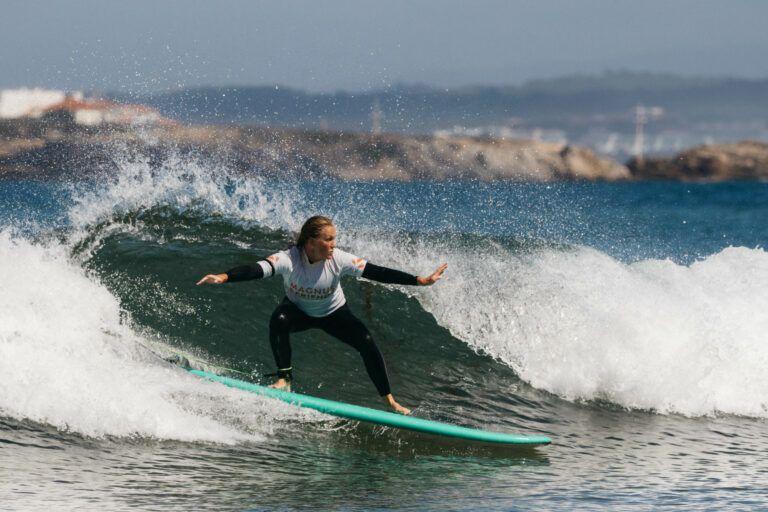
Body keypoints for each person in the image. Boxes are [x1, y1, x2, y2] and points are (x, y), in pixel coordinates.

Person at [196, 215, 447, 415]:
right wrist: (225, 277)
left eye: (334, 239)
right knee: (279, 320)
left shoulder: (338, 259)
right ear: (311, 241)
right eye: (329, 239)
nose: (334, 244)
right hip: (299, 312)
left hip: (335, 313)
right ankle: (284, 378)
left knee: (367, 343)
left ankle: (389, 399)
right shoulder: (289, 259)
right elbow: (258, 269)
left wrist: (419, 280)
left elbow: (376, 272)